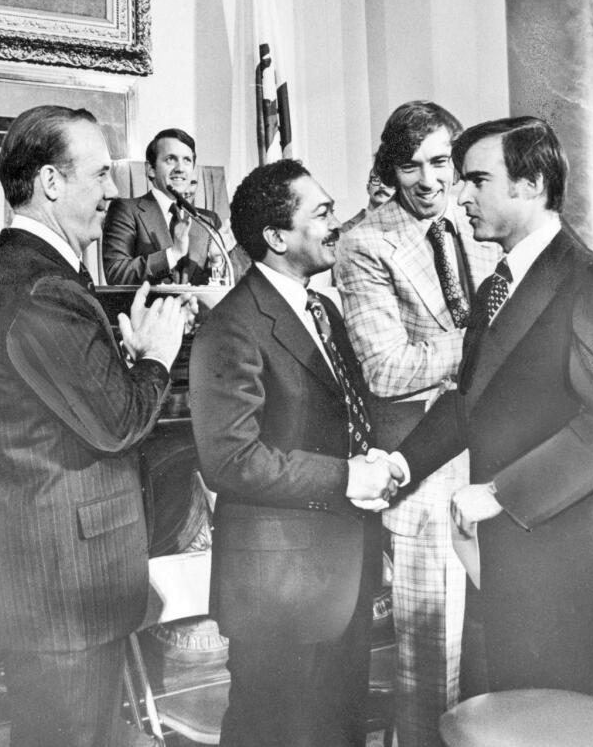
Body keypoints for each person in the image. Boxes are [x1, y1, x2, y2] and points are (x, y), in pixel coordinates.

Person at [389, 116, 593, 708]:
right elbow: (471, 401)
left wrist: (503, 492)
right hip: (512, 563)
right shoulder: (498, 287)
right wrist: (401, 465)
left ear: (530, 184)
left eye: (476, 180)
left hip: (574, 573)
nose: (459, 195)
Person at [0, 105, 193, 746]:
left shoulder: (30, 274)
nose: (111, 193)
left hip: (57, 586)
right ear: (50, 181)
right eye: (98, 175)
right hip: (65, 592)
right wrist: (153, 357)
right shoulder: (43, 286)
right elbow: (119, 423)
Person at [189, 158, 396, 747]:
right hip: (277, 591)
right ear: (277, 237)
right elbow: (230, 459)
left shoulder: (323, 311)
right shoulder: (232, 326)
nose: (339, 225)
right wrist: (348, 478)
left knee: (338, 732)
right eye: (324, 213)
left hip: (339, 576)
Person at [336, 101, 501, 747]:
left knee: (491, 650)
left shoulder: (476, 221)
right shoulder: (365, 241)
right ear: (391, 168)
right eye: (411, 166)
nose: (429, 180)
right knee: (430, 664)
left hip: (493, 460)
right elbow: (386, 369)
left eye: (440, 162)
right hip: (423, 467)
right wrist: (487, 345)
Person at [102, 127, 248, 285]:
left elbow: (227, 290)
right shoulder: (125, 210)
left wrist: (216, 260)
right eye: (170, 159)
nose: (180, 168)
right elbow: (116, 273)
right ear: (150, 169)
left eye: (187, 160)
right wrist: (173, 254)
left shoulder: (208, 220)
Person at [339, 151, 393, 233]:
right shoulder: (344, 230)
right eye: (376, 180)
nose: (382, 185)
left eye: (388, 182)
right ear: (368, 188)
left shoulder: (406, 229)